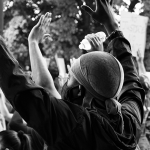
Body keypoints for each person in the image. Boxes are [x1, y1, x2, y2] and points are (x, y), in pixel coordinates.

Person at [0, 0, 144, 150]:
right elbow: (130, 79)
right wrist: (111, 24)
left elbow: (26, 93)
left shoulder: (76, 127)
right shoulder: (129, 123)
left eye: (69, 77)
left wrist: (110, 23)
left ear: (79, 90)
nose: (64, 80)